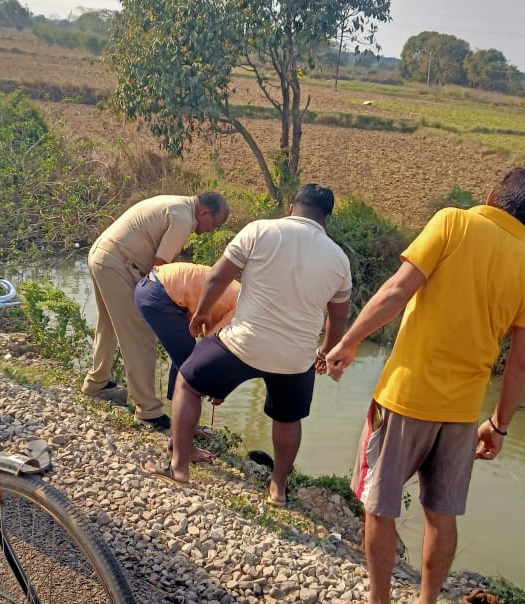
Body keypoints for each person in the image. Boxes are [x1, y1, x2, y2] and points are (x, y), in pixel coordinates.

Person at [322, 165, 525, 604]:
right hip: (465, 413)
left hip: (407, 396)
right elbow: (521, 364)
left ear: (492, 194)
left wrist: (348, 341)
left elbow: (396, 290)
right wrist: (500, 424)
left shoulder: (453, 222)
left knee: (379, 504)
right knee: (441, 514)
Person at [143, 184, 352, 507]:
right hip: (296, 357)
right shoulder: (339, 259)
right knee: (287, 418)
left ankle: (180, 468)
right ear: (325, 221)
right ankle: (278, 489)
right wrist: (326, 352)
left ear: (292, 209)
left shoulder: (260, 231)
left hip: (244, 343)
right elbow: (337, 319)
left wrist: (200, 314)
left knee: (188, 381)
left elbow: (217, 278)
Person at [82, 191, 229, 430]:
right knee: (140, 336)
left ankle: (97, 383)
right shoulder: (183, 219)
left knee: (108, 325)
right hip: (117, 264)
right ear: (204, 213)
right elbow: (160, 269)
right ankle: (148, 410)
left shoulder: (177, 205)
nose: (213, 229)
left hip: (103, 256)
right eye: (216, 223)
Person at [135, 261, 240, 401]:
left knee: (186, 353)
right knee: (192, 364)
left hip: (155, 285)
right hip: (160, 292)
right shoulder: (245, 308)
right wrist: (218, 388)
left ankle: (176, 412)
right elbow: (213, 343)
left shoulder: (245, 295)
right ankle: (181, 418)